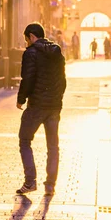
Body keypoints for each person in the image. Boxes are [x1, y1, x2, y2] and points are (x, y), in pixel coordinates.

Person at [16, 22, 66, 197]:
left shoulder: (30, 53)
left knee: (24, 140)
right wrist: (58, 98)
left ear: (31, 36)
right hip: (54, 106)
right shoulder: (57, 51)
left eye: (26, 39)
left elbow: (27, 78)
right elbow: (63, 80)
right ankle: (50, 185)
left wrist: (21, 99)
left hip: (36, 105)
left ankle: (30, 181)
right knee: (53, 146)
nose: (26, 42)